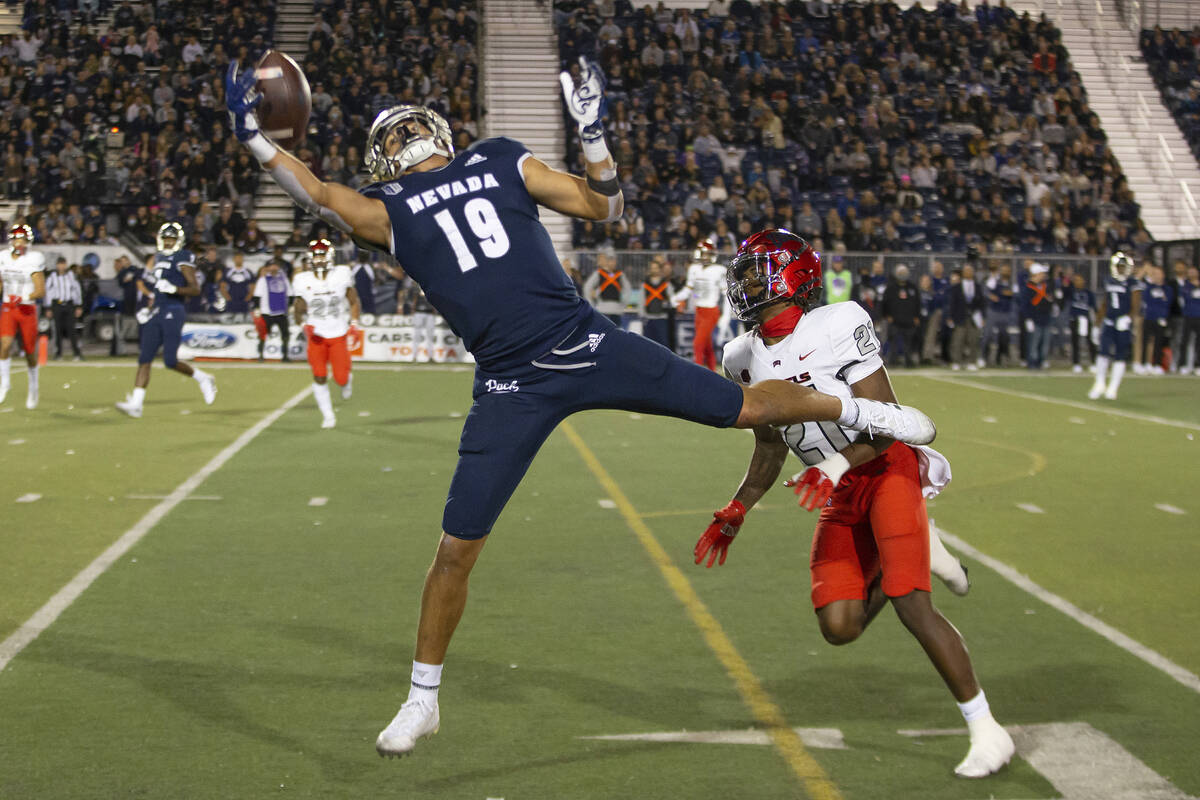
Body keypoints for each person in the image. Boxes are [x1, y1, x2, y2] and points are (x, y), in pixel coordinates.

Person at [225, 55, 938, 759]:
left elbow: (599, 206)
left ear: (414, 141)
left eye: (402, 132)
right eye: (400, 133)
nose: (404, 141)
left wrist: (592, 136)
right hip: (527, 374)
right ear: (409, 146)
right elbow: (322, 195)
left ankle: (872, 417)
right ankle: (422, 700)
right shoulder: (435, 187)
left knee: (738, 411)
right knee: (462, 544)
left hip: (570, 350)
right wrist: (255, 138)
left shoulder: (449, 180)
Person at [698, 228, 1012, 779]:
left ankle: (987, 729)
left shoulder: (837, 323)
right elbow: (769, 444)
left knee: (912, 603)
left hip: (882, 467)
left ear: (792, 275)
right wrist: (739, 507)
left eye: (756, 272)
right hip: (834, 486)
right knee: (839, 625)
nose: (745, 283)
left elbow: (889, 423)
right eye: (743, 273)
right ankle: (912, 552)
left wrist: (838, 464)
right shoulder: (740, 355)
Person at [115, 223, 218, 417]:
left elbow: (195, 288)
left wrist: (174, 289)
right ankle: (136, 404)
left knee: (170, 361)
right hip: (158, 310)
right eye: (166, 239)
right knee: (144, 358)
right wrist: (149, 309)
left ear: (178, 241)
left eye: (172, 239)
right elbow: (158, 290)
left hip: (174, 310)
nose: (168, 243)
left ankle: (203, 378)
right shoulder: (159, 257)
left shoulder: (183, 256)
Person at [292, 238, 361, 428]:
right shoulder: (302, 279)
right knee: (319, 375)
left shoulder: (341, 274)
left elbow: (353, 301)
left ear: (330, 257)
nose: (319, 260)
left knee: (341, 378)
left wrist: (354, 324)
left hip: (338, 333)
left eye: (322, 256)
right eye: (316, 256)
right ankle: (328, 415)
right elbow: (298, 309)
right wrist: (303, 324)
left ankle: (347, 381)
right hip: (316, 336)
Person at [0, 224, 45, 408]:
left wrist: (24, 297)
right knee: (5, 345)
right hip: (8, 307)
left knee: (29, 351)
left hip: (26, 308)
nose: (20, 243)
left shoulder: (34, 259)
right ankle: (5, 383)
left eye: (23, 240)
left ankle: (34, 387)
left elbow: (40, 290)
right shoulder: (3, 257)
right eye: (17, 239)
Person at [1089, 252, 1141, 400]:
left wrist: (1128, 318)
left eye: (1123, 266)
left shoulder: (1132, 283)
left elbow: (1136, 305)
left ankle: (1113, 387)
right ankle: (1099, 383)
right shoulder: (1109, 280)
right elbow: (1105, 303)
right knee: (1103, 353)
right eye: (1119, 266)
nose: (1121, 269)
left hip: (1123, 323)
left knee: (1120, 355)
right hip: (1109, 321)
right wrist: (1097, 324)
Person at [676, 237, 727, 370]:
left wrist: (726, 316)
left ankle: (696, 373)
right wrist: (676, 299)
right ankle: (712, 371)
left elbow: (726, 294)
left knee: (697, 344)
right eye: (703, 253)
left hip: (711, 310)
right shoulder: (694, 268)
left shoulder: (719, 270)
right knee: (707, 346)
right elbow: (692, 291)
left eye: (707, 254)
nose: (705, 257)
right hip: (699, 310)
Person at [252, 259, 294, 361]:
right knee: (263, 334)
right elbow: (257, 295)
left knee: (285, 334)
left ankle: (285, 356)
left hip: (281, 312)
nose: (273, 268)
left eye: (275, 265)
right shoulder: (263, 280)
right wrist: (257, 308)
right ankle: (260, 355)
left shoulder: (284, 279)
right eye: (271, 266)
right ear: (267, 268)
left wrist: (290, 305)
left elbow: (290, 293)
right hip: (267, 312)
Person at [44, 257, 84, 360]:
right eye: (60, 264)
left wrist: (79, 306)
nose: (61, 266)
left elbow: (77, 290)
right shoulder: (52, 276)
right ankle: (58, 354)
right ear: (57, 265)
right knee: (57, 330)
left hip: (69, 305)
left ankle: (77, 353)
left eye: (63, 264)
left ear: (66, 265)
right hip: (57, 305)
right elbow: (48, 292)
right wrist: (48, 307)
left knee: (72, 329)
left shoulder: (71, 275)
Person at [1135, 265, 1172, 375]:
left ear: (1163, 275)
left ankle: (1156, 364)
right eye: (1154, 274)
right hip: (1148, 317)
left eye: (1158, 273)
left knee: (1158, 342)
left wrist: (1162, 314)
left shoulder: (1168, 289)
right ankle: (1142, 363)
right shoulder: (1148, 287)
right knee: (1144, 341)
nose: (1156, 276)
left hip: (1160, 319)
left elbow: (1167, 303)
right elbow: (1147, 300)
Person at [946, 264, 983, 371]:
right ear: (963, 273)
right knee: (958, 340)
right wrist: (950, 316)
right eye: (966, 271)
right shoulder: (956, 287)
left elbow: (982, 303)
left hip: (974, 317)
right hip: (960, 316)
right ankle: (956, 362)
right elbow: (952, 303)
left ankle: (972, 362)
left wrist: (983, 317)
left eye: (970, 271)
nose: (968, 273)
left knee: (973, 340)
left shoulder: (977, 287)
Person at [582, 249, 629, 326]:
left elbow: (627, 290)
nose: (612, 262)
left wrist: (623, 304)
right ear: (607, 261)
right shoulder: (598, 273)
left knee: (616, 331)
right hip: (602, 309)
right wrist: (591, 303)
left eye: (614, 260)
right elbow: (587, 287)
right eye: (610, 260)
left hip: (616, 310)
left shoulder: (620, 275)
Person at [1019, 263, 1052, 370]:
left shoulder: (1044, 286)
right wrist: (1028, 318)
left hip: (1046, 317)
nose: (1043, 275)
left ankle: (1041, 362)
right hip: (1034, 318)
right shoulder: (1028, 287)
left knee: (1044, 343)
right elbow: (1025, 305)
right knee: (1033, 342)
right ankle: (1032, 362)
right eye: (1041, 273)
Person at [1064, 272, 1095, 373]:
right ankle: (1076, 363)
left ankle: (1094, 362)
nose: (1078, 282)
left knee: (1090, 341)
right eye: (1076, 280)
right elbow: (1064, 292)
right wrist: (1067, 279)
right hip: (1075, 319)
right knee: (1075, 341)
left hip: (1086, 318)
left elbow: (1093, 306)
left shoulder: (1088, 293)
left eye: (1079, 280)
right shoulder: (1071, 291)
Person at [640, 256, 674, 348]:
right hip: (648, 318)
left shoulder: (666, 284)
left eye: (656, 268)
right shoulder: (645, 284)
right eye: (652, 268)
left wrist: (667, 305)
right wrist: (642, 315)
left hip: (662, 318)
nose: (654, 270)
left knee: (663, 344)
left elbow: (672, 300)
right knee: (647, 345)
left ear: (660, 269)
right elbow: (641, 300)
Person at [1179, 267, 1200, 374]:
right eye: (1190, 272)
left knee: (1199, 343)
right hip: (1188, 316)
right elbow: (1185, 299)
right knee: (1184, 341)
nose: (1192, 274)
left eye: (1194, 272)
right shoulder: (1185, 286)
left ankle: (1197, 365)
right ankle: (1182, 365)